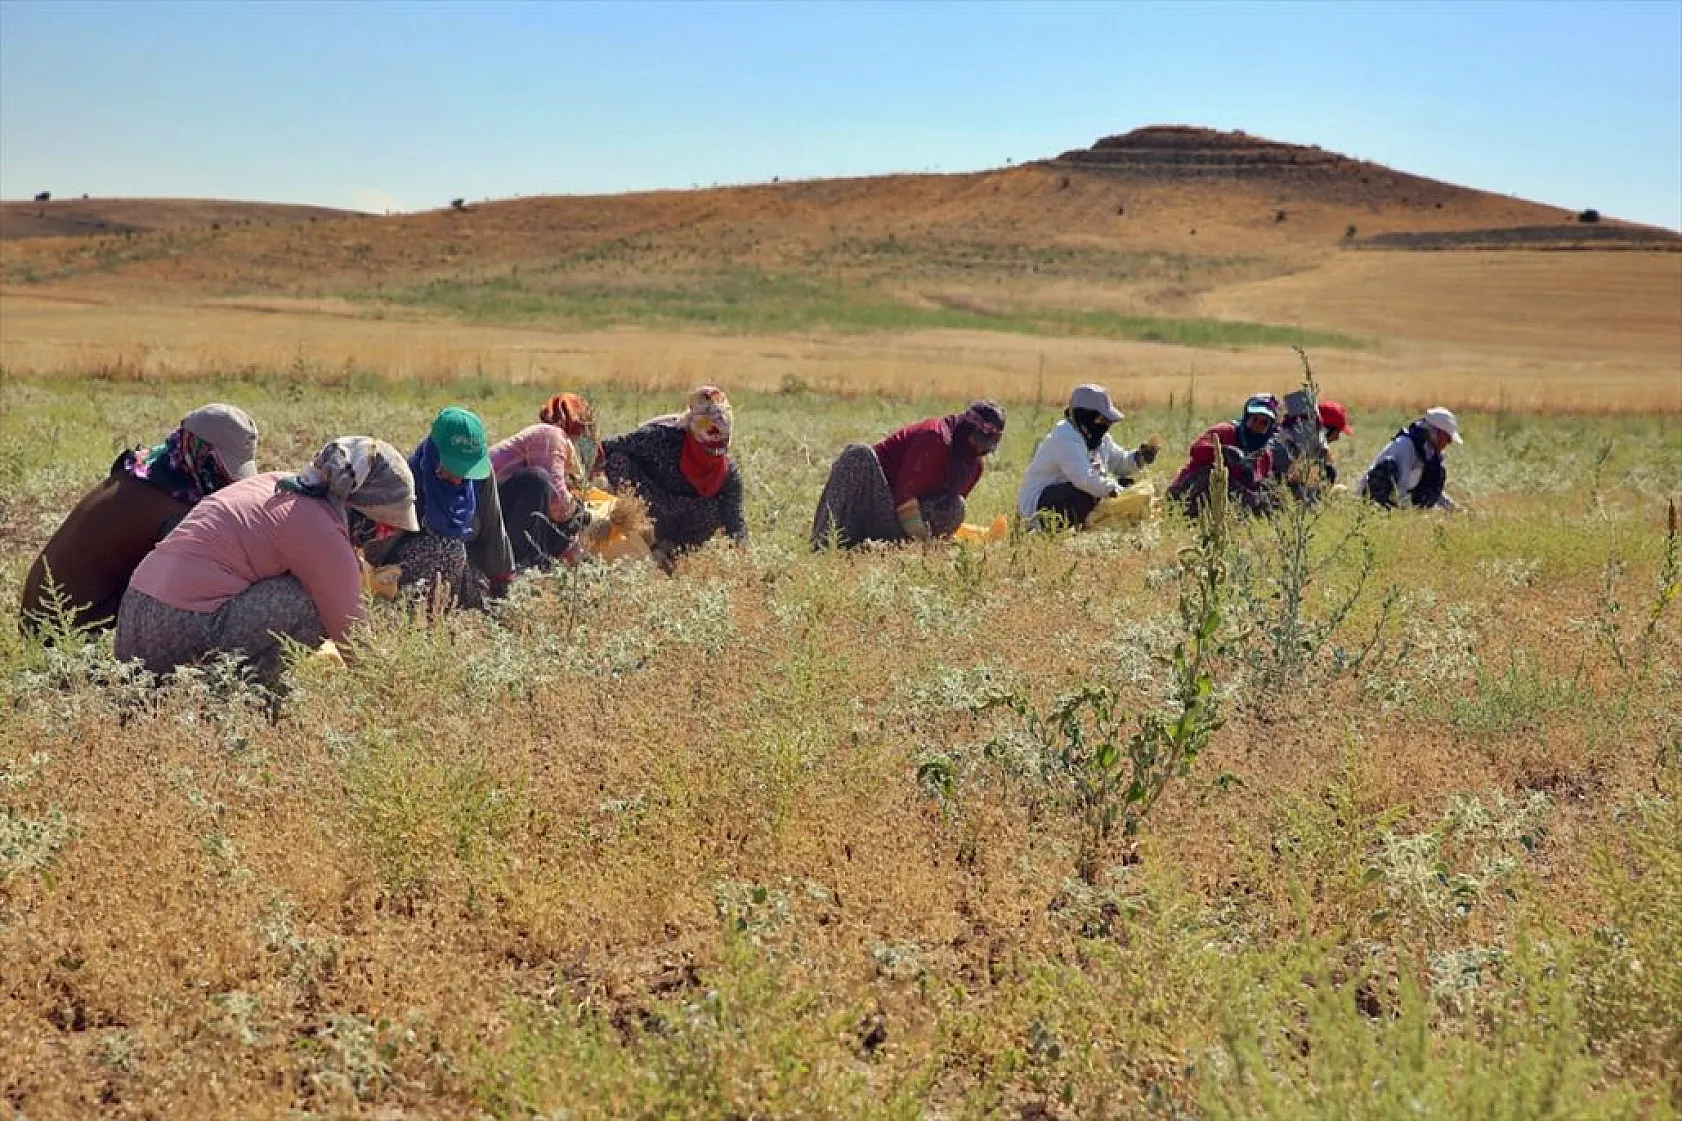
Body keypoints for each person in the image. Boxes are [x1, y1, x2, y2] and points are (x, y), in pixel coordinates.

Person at [115, 437, 418, 687]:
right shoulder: (320, 530)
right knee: (310, 601)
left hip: (133, 618)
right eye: (384, 523)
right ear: (358, 503)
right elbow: (354, 640)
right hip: (170, 632)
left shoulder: (280, 485)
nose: (383, 534)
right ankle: (249, 696)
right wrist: (395, 695)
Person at [20, 404, 259, 636]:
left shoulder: (144, 470)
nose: (228, 480)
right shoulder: (173, 509)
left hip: (42, 615)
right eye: (222, 468)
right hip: (69, 630)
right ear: (197, 451)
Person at [811, 400, 1007, 549]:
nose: (979, 450)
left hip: (900, 526)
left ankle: (891, 546)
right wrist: (925, 544)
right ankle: (824, 543)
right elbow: (904, 498)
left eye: (986, 446)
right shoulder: (935, 437)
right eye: (977, 441)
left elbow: (941, 510)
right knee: (858, 454)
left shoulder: (974, 466)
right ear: (965, 429)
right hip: (875, 505)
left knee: (957, 507)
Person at [602, 385, 748, 566]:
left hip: (686, 528)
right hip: (648, 509)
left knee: (721, 507)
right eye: (707, 427)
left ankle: (673, 551)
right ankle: (647, 544)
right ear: (692, 429)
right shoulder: (663, 438)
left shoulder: (728, 474)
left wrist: (744, 563)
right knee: (618, 460)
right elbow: (609, 447)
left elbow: (736, 524)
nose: (715, 437)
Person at [1017, 384, 1159, 530]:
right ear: (1086, 417)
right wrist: (1118, 492)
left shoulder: (1100, 439)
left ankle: (1096, 526)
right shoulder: (1065, 438)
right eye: (1102, 421)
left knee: (1126, 483)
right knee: (1083, 495)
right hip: (1037, 509)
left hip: (1076, 492)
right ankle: (1053, 530)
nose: (1106, 426)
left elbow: (1120, 463)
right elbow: (1084, 479)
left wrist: (1140, 457)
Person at [490, 393, 601, 568]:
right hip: (485, 511)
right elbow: (558, 502)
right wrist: (590, 518)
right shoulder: (551, 436)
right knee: (539, 481)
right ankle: (522, 568)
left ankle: (538, 567)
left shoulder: (555, 441)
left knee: (567, 517)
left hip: (504, 513)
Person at [1165, 393, 1281, 516]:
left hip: (1227, 505)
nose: (1256, 425)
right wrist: (1222, 452)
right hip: (1185, 494)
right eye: (1254, 419)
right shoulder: (1226, 431)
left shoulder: (1265, 457)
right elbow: (1196, 450)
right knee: (1212, 474)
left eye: (1263, 422)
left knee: (1263, 501)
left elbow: (1258, 486)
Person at [1358, 407, 1462, 510]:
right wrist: (1405, 515)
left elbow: (1434, 490)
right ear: (1437, 432)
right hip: (1379, 496)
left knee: (1438, 474)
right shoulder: (1406, 445)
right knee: (1388, 466)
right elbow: (1399, 488)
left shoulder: (1429, 453)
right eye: (1447, 439)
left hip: (1401, 500)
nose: (1448, 443)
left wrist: (1454, 509)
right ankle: (1374, 510)